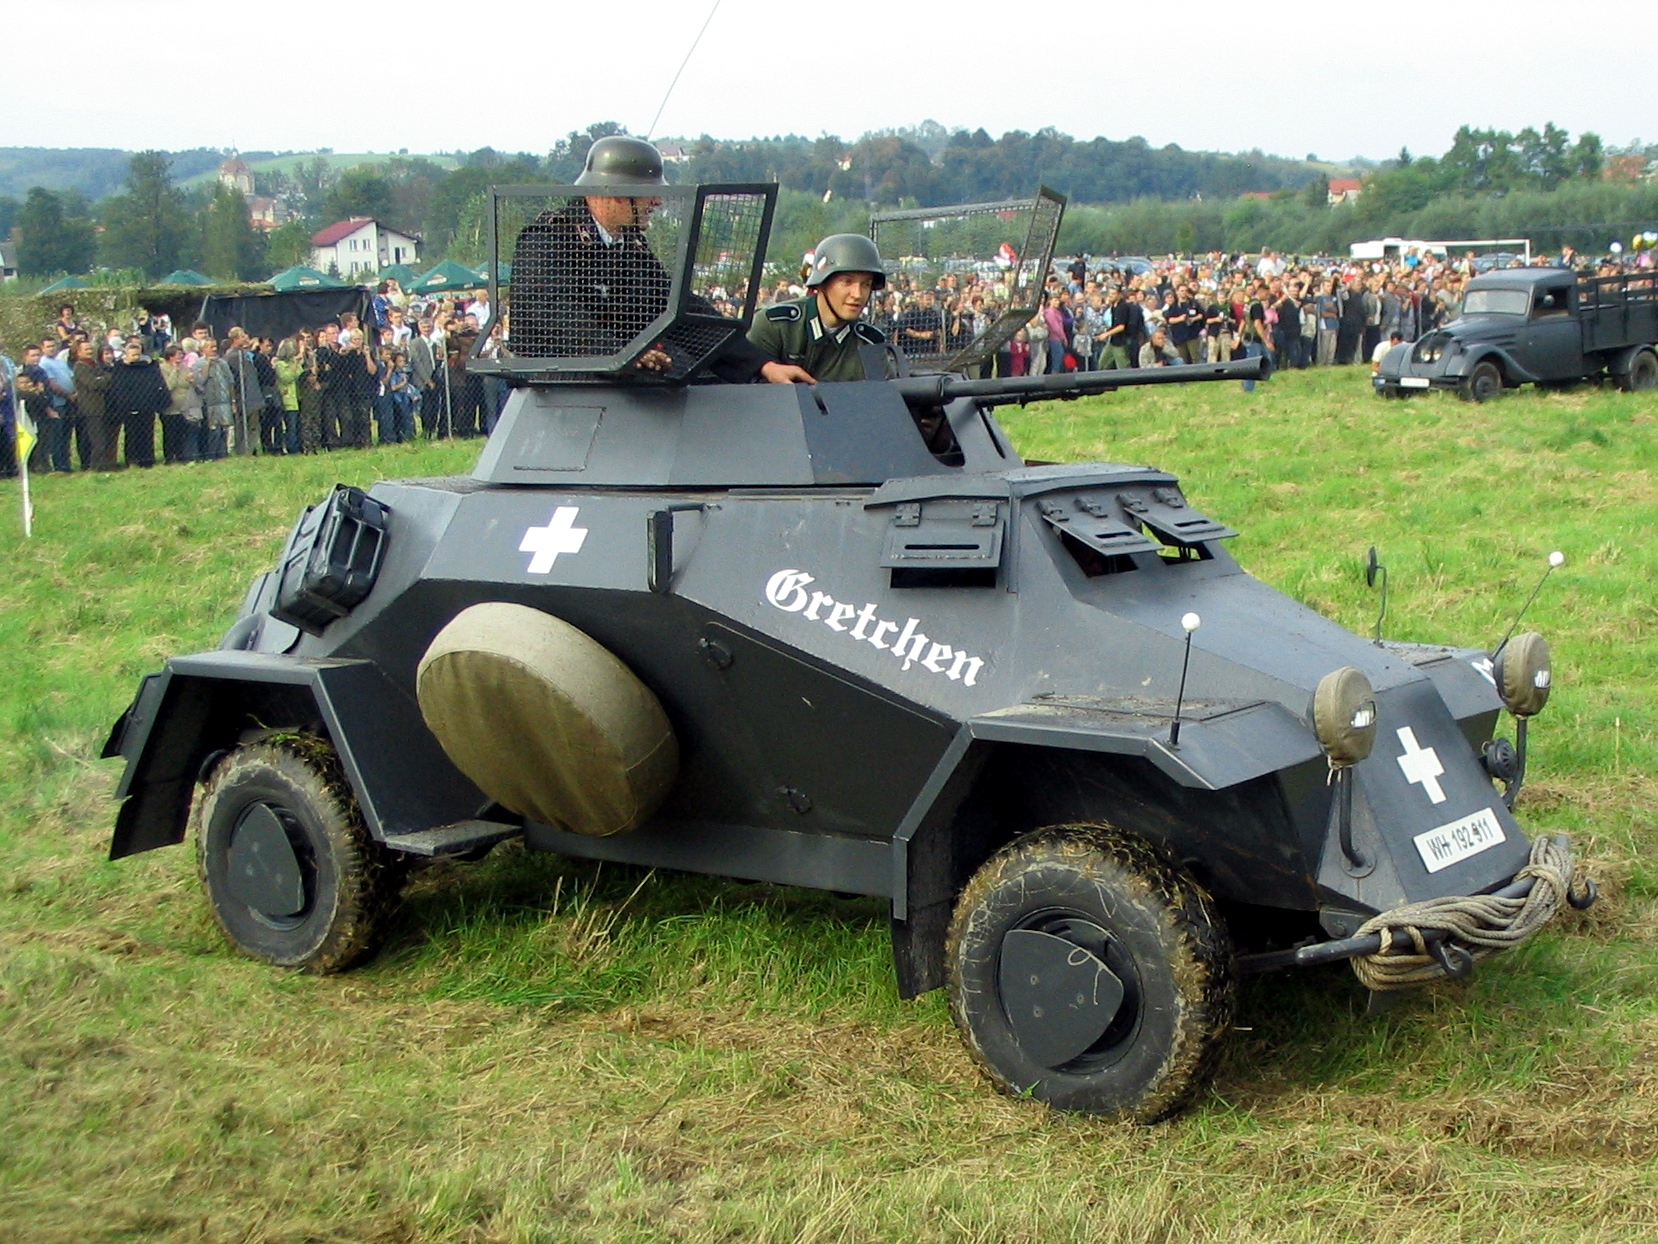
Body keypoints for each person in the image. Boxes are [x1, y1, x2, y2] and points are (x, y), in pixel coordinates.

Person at [509, 136, 793, 384]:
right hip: (555, 390)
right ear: (617, 195)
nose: (658, 202)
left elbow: (678, 311)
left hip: (618, 387)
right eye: (649, 193)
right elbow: (550, 314)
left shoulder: (631, 249)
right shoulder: (547, 239)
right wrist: (621, 354)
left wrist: (762, 365)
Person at [746, 233, 887, 383]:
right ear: (821, 283)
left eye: (866, 284)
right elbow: (740, 380)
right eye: (846, 281)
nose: (857, 294)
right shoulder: (776, 326)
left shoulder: (868, 344)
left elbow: (885, 393)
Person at [107, 338, 169, 468]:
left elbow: (155, 383)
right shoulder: (120, 367)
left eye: (138, 354)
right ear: (126, 354)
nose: (136, 357)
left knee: (147, 433)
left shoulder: (147, 367)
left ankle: (147, 459)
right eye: (133, 355)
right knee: (131, 434)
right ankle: (132, 460)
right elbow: (118, 388)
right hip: (129, 407)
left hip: (146, 406)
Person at [70, 340, 114, 470]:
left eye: (90, 348)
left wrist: (103, 379)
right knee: (97, 441)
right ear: (78, 352)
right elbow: (93, 384)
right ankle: (95, 467)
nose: (90, 351)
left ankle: (102, 465)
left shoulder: (94, 364)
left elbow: (106, 378)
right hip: (90, 409)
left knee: (103, 438)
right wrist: (104, 379)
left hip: (102, 407)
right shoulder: (80, 367)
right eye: (86, 349)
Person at [160, 343, 203, 463]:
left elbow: (190, 383)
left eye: (182, 354)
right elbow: (169, 386)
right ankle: (169, 457)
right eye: (178, 354)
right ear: (170, 356)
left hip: (185, 407)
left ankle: (181, 456)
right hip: (170, 407)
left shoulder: (185, 367)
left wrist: (192, 380)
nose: (181, 357)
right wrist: (175, 370)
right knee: (170, 433)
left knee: (182, 433)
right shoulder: (163, 368)